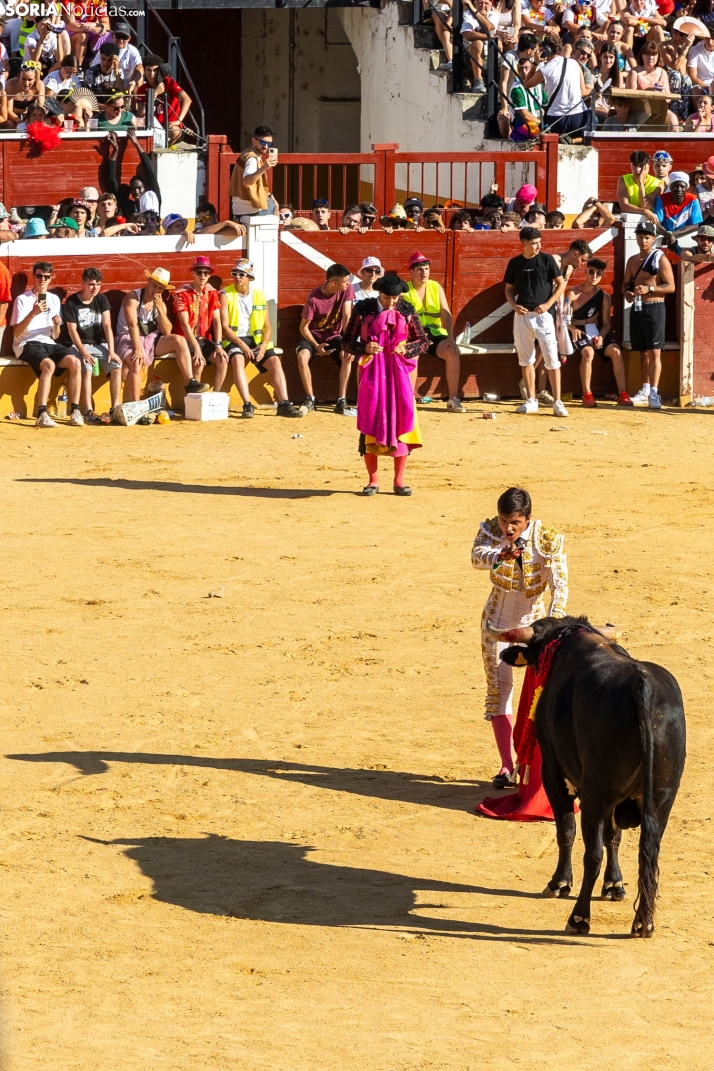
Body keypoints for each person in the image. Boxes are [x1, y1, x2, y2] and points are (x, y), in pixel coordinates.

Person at [471, 486, 568, 787]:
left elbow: (559, 586)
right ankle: (505, 766)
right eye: (503, 521)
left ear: (527, 518)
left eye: (514, 522)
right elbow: (476, 557)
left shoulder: (546, 539)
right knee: (500, 691)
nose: (507, 528)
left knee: (537, 696)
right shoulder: (490, 531)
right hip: (497, 625)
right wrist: (500, 552)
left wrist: (553, 628)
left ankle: (528, 764)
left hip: (534, 628)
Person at [342, 272, 429, 496]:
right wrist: (364, 348)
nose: (391, 302)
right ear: (379, 293)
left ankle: (399, 481)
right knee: (372, 419)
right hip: (373, 374)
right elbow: (347, 341)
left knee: (401, 421)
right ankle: (373, 481)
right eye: (387, 298)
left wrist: (406, 349)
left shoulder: (407, 310)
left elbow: (423, 341)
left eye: (395, 298)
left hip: (399, 376)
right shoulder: (363, 310)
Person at [219, 257, 302, 419]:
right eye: (235, 273)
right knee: (237, 359)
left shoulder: (258, 295)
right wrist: (242, 345)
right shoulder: (225, 294)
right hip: (235, 339)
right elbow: (224, 327)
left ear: (249, 277)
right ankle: (247, 404)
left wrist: (264, 345)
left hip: (257, 341)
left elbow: (268, 327)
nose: (237, 277)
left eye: (241, 274)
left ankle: (284, 403)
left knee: (275, 361)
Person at [114, 266, 210, 404]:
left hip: (150, 339)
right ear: (148, 281)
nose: (156, 290)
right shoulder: (133, 298)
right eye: (154, 286)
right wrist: (138, 349)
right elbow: (132, 325)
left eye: (160, 288)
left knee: (179, 340)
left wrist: (160, 309)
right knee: (136, 361)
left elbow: (167, 331)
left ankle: (190, 382)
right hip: (128, 337)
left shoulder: (160, 303)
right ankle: (136, 404)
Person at [504, 225, 568, 417]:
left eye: (540, 242)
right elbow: (508, 289)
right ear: (523, 244)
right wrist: (514, 306)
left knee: (552, 359)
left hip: (543, 316)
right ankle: (531, 400)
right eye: (534, 243)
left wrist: (548, 304)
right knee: (526, 360)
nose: (538, 246)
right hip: (522, 316)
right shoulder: (515, 263)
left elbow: (561, 284)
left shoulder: (547, 260)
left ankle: (558, 402)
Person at [11, 260, 82, 428]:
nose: (42, 280)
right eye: (39, 276)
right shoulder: (22, 300)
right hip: (26, 341)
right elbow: (16, 333)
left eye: (46, 277)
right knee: (49, 365)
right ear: (33, 277)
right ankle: (42, 413)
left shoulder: (54, 299)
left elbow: (55, 336)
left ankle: (75, 411)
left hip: (47, 342)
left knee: (75, 362)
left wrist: (57, 324)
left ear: (51, 279)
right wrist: (33, 313)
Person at [622, 219, 675, 409]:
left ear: (653, 239)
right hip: (637, 308)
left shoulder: (659, 258)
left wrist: (649, 289)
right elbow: (624, 285)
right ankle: (645, 389)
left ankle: (654, 392)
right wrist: (627, 293)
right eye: (640, 237)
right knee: (642, 352)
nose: (643, 240)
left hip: (655, 308)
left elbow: (670, 286)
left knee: (654, 352)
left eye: (647, 237)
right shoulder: (632, 261)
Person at [567, 258, 632, 407]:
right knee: (588, 353)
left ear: (602, 275)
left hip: (594, 329)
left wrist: (601, 337)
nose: (594, 276)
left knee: (616, 351)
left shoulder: (604, 297)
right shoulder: (572, 293)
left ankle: (623, 393)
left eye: (598, 273)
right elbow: (563, 319)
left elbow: (606, 324)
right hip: (577, 329)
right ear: (586, 272)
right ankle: (587, 394)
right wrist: (572, 329)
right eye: (591, 272)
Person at [404, 251, 464, 412]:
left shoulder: (435, 286)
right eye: (419, 269)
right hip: (414, 335)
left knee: (452, 352)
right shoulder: (404, 290)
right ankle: (408, 401)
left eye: (426, 268)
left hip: (435, 333)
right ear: (411, 271)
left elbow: (446, 313)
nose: (424, 272)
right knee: (412, 354)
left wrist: (451, 338)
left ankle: (453, 399)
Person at [63, 266, 120, 423]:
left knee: (116, 366)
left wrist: (112, 351)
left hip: (97, 344)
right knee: (87, 369)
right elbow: (72, 331)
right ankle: (88, 410)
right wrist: (83, 352)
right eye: (91, 284)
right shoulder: (72, 302)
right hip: (77, 345)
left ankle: (115, 408)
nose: (95, 288)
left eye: (98, 284)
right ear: (83, 283)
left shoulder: (101, 299)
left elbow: (107, 326)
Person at [297, 263, 355, 414]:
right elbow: (303, 328)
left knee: (346, 356)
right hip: (313, 336)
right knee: (302, 356)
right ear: (333, 283)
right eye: (345, 281)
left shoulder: (346, 289)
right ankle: (310, 398)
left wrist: (348, 343)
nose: (348, 283)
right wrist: (316, 346)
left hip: (334, 335)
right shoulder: (314, 298)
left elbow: (347, 316)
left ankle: (341, 400)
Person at [523, 44, 589, 137]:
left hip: (556, 117)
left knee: (553, 147)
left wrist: (535, 63)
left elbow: (527, 84)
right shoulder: (575, 63)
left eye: (540, 50)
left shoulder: (545, 69)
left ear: (547, 50)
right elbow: (582, 92)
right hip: (578, 114)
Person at [136, 54, 192, 146]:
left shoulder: (169, 82)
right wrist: (155, 94)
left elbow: (187, 100)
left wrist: (179, 120)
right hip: (154, 128)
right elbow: (141, 113)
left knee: (174, 131)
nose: (152, 74)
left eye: (155, 70)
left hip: (172, 127)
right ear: (144, 71)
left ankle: (166, 148)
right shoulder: (142, 89)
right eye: (149, 70)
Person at [229, 124, 278, 223]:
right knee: (275, 207)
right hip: (250, 209)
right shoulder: (252, 159)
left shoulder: (245, 153)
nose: (266, 146)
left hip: (238, 207)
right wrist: (264, 168)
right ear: (253, 140)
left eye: (269, 144)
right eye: (263, 142)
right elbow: (247, 182)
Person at [626, 42, 679, 129]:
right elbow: (630, 97)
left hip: (658, 109)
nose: (651, 57)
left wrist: (662, 93)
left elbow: (668, 99)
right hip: (639, 110)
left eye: (654, 54)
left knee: (673, 119)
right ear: (642, 55)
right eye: (647, 54)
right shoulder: (634, 72)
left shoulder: (662, 72)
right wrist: (648, 91)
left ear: (658, 56)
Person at [90, 21, 142, 95]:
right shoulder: (105, 49)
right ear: (112, 35)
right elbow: (94, 68)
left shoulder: (132, 50)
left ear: (129, 38)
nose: (120, 40)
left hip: (127, 82)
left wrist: (132, 82)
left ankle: (134, 106)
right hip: (109, 80)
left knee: (138, 79)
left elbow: (139, 66)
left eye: (124, 37)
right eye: (118, 36)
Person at [652, 170, 703, 237]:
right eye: (675, 186)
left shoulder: (693, 199)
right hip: (665, 238)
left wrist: (672, 234)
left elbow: (695, 225)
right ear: (670, 187)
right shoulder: (661, 198)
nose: (679, 189)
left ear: (686, 188)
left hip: (685, 238)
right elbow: (657, 223)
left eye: (682, 187)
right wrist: (667, 235)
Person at [617, 150, 662, 222]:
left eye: (641, 166)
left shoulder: (658, 183)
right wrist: (645, 211)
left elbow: (646, 206)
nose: (637, 170)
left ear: (647, 167)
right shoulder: (623, 180)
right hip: (630, 220)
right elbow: (624, 207)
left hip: (649, 222)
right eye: (634, 165)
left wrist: (640, 183)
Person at [462, 0, 495, 92]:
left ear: (491, 5)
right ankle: (478, 81)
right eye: (480, 2)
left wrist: (475, 11)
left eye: (486, 3)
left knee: (507, 56)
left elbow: (489, 26)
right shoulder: (467, 14)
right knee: (478, 43)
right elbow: (468, 35)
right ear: (474, 3)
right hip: (469, 56)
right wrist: (488, 37)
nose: (483, 6)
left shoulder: (493, 15)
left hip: (489, 54)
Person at [686, 29, 714, 98]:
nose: (710, 42)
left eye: (713, 39)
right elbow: (693, 76)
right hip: (701, 84)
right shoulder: (694, 50)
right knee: (696, 91)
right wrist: (707, 88)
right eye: (707, 38)